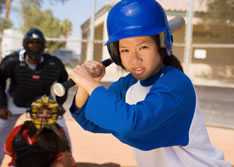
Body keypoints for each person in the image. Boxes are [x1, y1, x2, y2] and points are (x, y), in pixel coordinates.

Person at [68, 0, 231, 166]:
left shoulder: (176, 84)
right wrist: (86, 85)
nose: (134, 59)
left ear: (161, 46)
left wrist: (91, 85)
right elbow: (88, 119)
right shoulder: (129, 84)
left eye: (143, 47)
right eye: (125, 50)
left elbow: (133, 127)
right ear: (116, 54)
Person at [0, 27, 71, 167]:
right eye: (31, 43)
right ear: (25, 44)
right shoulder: (12, 60)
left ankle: (66, 163)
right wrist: (1, 105)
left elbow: (63, 82)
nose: (34, 47)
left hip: (44, 105)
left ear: (43, 46)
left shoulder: (53, 63)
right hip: (15, 102)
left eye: (38, 44)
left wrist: (59, 104)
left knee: (63, 133)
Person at [4, 95, 76, 167]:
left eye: (48, 112)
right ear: (32, 114)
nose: (44, 115)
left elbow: (67, 159)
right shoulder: (19, 130)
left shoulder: (58, 132)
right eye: (40, 112)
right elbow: (9, 151)